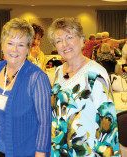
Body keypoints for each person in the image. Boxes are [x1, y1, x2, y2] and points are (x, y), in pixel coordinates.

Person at [48, 17, 120, 156]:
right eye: (58, 40)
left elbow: (109, 127)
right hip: (59, 149)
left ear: (82, 40)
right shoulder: (58, 72)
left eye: (69, 37)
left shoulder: (96, 73)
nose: (64, 44)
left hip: (86, 152)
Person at [0, 18, 51, 157]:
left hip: (25, 152)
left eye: (20, 45)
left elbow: (44, 124)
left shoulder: (37, 78)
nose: (14, 50)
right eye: (10, 43)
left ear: (28, 48)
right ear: (2, 45)